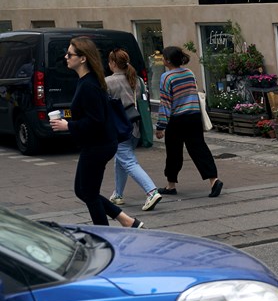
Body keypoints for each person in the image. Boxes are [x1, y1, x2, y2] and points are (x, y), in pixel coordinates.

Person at [49, 37, 145, 228]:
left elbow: (96, 120)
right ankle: (126, 221)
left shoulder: (89, 85)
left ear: (83, 58)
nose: (66, 57)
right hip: (98, 143)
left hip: (98, 145)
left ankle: (105, 235)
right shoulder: (88, 81)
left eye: (70, 54)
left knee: (88, 193)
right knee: (82, 190)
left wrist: (68, 126)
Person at [155, 46, 222, 197]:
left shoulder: (167, 77)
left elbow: (165, 103)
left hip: (177, 119)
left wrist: (160, 126)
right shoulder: (189, 73)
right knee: (199, 149)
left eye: (164, 57)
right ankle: (214, 180)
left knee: (173, 152)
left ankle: (171, 185)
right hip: (194, 116)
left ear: (168, 60)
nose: (162, 60)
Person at [106, 48, 162, 212]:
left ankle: (151, 191)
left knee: (128, 161)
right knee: (121, 160)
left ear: (114, 63)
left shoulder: (108, 82)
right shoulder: (137, 80)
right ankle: (118, 194)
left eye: (109, 61)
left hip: (118, 127)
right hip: (135, 126)